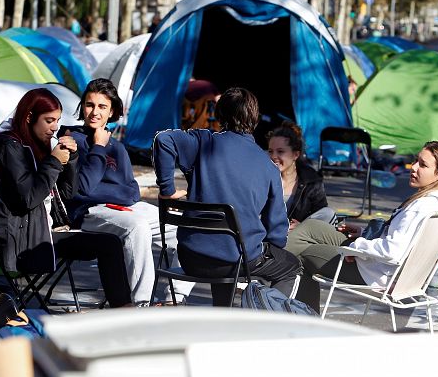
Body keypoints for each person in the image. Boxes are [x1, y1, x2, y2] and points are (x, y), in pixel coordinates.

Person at [153, 87, 302, 307]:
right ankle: (269, 321)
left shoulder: (204, 142)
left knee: (227, 244)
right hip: (237, 261)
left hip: (191, 256)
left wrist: (167, 190)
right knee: (291, 266)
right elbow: (277, 234)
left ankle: (222, 311)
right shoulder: (268, 167)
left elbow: (163, 139)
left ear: (220, 114)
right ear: (255, 119)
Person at [0, 88, 131, 307]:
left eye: (58, 120)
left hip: (46, 230)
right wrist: (53, 162)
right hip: (23, 241)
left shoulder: (40, 145)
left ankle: (124, 309)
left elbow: (66, 194)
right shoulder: (10, 150)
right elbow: (28, 198)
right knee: (108, 245)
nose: (54, 127)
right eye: (49, 121)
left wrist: (70, 159)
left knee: (110, 243)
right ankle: (124, 310)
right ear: (29, 118)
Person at [292, 141, 438, 312]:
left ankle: (304, 316)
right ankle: (267, 259)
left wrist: (355, 248)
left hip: (374, 272)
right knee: (313, 227)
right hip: (384, 268)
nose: (414, 167)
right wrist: (364, 235)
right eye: (416, 161)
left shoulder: (422, 206)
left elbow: (393, 251)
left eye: (423, 165)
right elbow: (404, 240)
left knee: (301, 255)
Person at [65, 78, 193, 306]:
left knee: (185, 226)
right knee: (137, 226)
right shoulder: (73, 140)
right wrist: (98, 148)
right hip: (89, 212)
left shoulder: (118, 147)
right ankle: (141, 303)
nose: (94, 112)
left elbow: (132, 192)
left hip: (127, 207)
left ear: (112, 111)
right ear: (82, 107)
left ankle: (176, 298)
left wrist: (105, 190)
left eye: (102, 106)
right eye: (89, 105)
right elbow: (83, 189)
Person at [265, 122, 336, 247]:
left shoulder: (311, 179)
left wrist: (303, 226)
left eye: (280, 152)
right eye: (270, 151)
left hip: (298, 236)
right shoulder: (262, 176)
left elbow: (321, 213)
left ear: (295, 154)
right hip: (269, 235)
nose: (273, 156)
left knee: (328, 214)